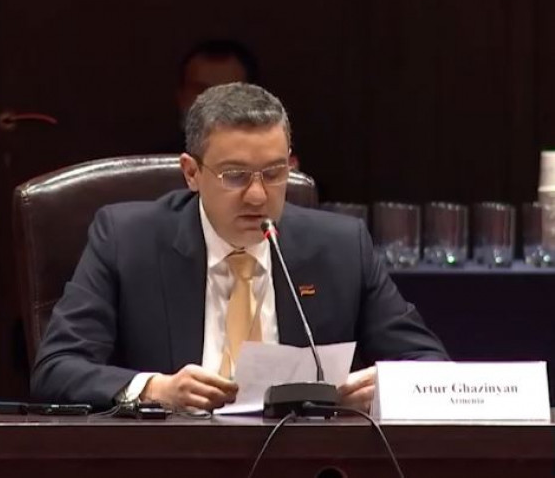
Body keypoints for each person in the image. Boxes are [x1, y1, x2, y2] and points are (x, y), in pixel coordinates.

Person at [31, 83, 448, 412]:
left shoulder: (341, 247)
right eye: (235, 176)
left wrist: (386, 386)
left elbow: (430, 367)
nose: (257, 196)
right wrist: (155, 389)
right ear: (191, 173)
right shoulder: (127, 240)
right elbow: (56, 369)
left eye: (274, 173)